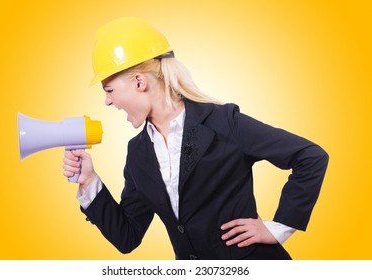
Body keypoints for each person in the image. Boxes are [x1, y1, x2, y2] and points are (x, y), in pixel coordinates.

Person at [62, 17, 329, 260]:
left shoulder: (224, 122)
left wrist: (279, 228)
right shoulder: (138, 153)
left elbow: (310, 157)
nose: (107, 101)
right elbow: (127, 237)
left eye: (109, 90)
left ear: (139, 82)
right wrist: (89, 180)